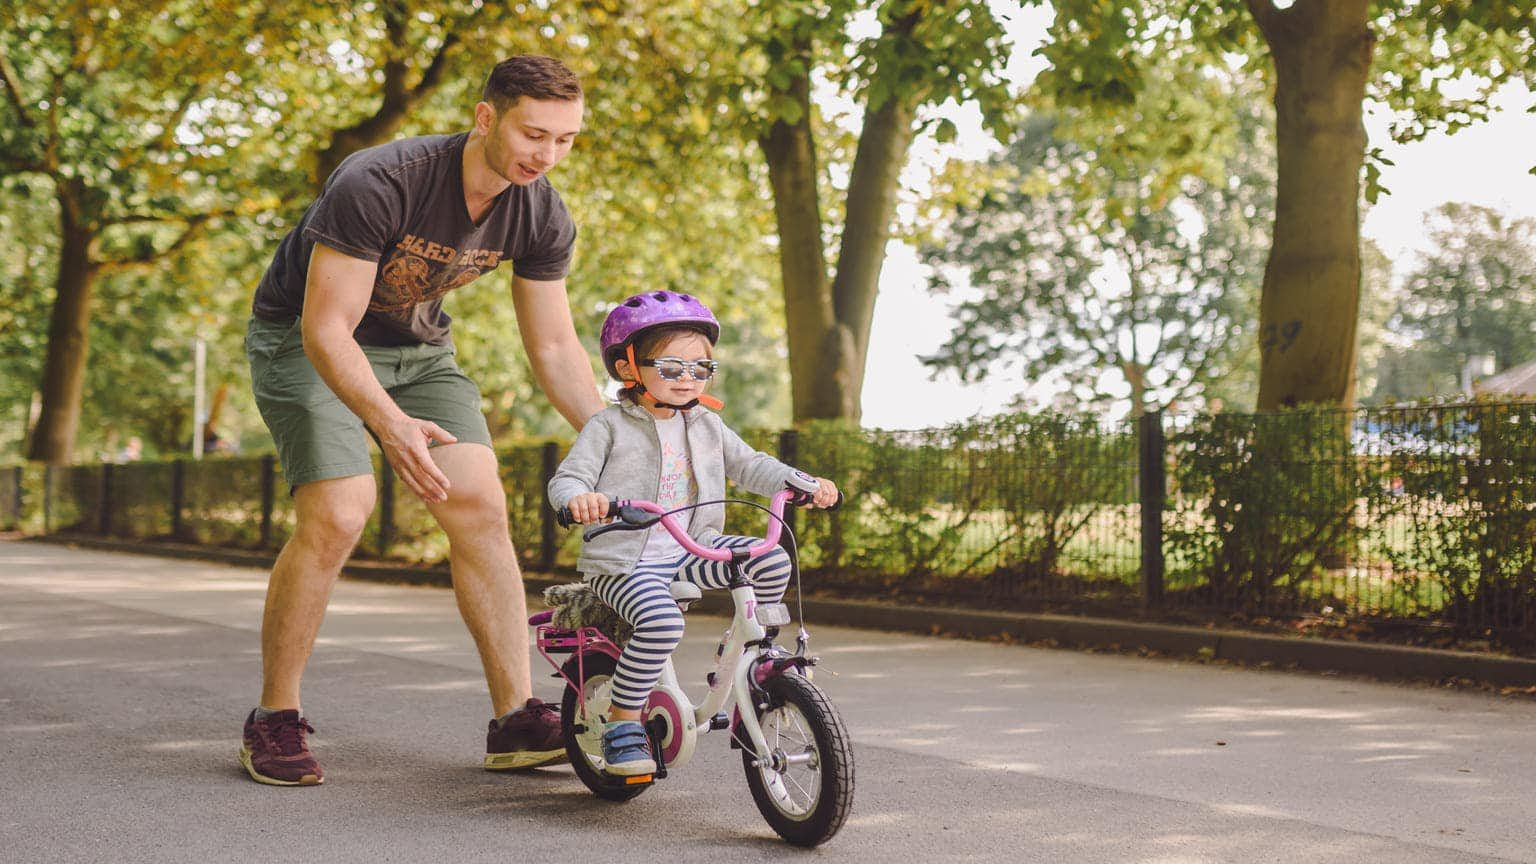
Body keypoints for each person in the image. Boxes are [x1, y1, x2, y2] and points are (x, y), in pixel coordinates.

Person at [239, 55, 606, 786]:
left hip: (417, 352)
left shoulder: (541, 213)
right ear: (484, 117)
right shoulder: (379, 181)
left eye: (565, 140)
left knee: (479, 501)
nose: (547, 154)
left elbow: (556, 346)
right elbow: (327, 328)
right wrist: (389, 423)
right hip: (305, 339)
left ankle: (515, 719)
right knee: (342, 511)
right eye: (535, 134)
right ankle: (274, 718)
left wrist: (619, 437)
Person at [548, 290, 839, 776]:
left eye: (700, 367)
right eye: (671, 366)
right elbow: (568, 477)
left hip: (691, 546)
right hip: (625, 558)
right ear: (629, 369)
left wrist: (800, 482)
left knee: (770, 559)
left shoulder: (707, 424)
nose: (688, 378)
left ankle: (748, 654)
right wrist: (581, 499)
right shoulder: (609, 427)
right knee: (661, 624)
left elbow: (750, 466)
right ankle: (622, 722)